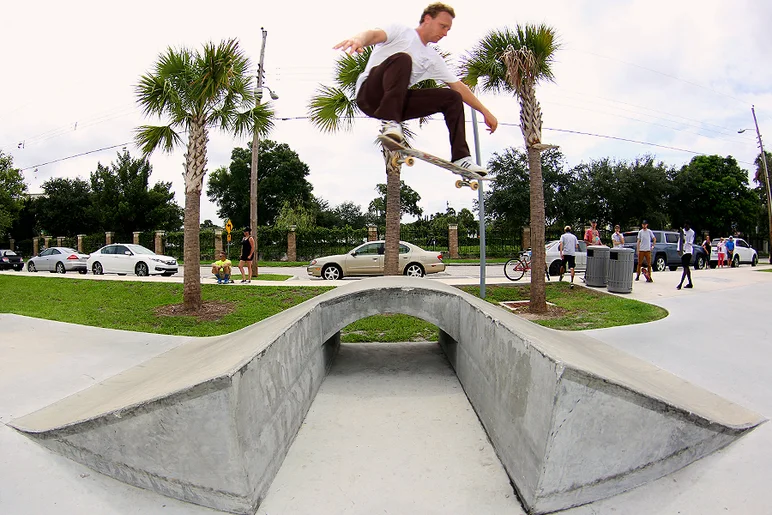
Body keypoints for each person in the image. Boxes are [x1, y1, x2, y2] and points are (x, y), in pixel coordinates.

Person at [334, 3, 497, 175]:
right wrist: (359, 40)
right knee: (403, 59)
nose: (445, 33)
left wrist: (485, 112)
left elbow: (458, 86)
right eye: (442, 26)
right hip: (369, 95)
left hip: (397, 104)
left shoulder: (433, 58)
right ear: (427, 19)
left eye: (448, 30)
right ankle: (391, 122)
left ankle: (461, 158)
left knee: (452, 97)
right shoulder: (401, 31)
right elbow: (373, 35)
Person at [676, 222, 694, 290]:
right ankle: (690, 283)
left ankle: (680, 283)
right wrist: (678, 249)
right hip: (683, 251)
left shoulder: (692, 232)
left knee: (685, 267)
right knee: (686, 267)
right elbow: (679, 241)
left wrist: (685, 242)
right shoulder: (682, 231)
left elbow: (691, 241)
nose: (686, 228)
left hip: (688, 251)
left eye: (687, 226)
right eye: (685, 226)